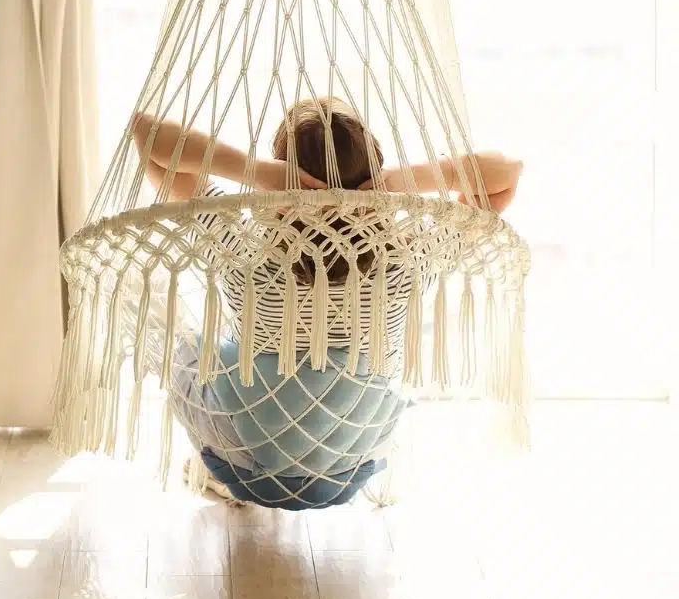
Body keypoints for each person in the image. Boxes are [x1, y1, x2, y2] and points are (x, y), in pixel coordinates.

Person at [132, 97, 523, 509]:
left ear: (284, 180)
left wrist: (259, 173)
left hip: (244, 466)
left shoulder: (243, 253)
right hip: (347, 468)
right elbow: (506, 178)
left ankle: (217, 473)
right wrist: (396, 182)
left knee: (190, 343)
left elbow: (147, 135)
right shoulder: (405, 263)